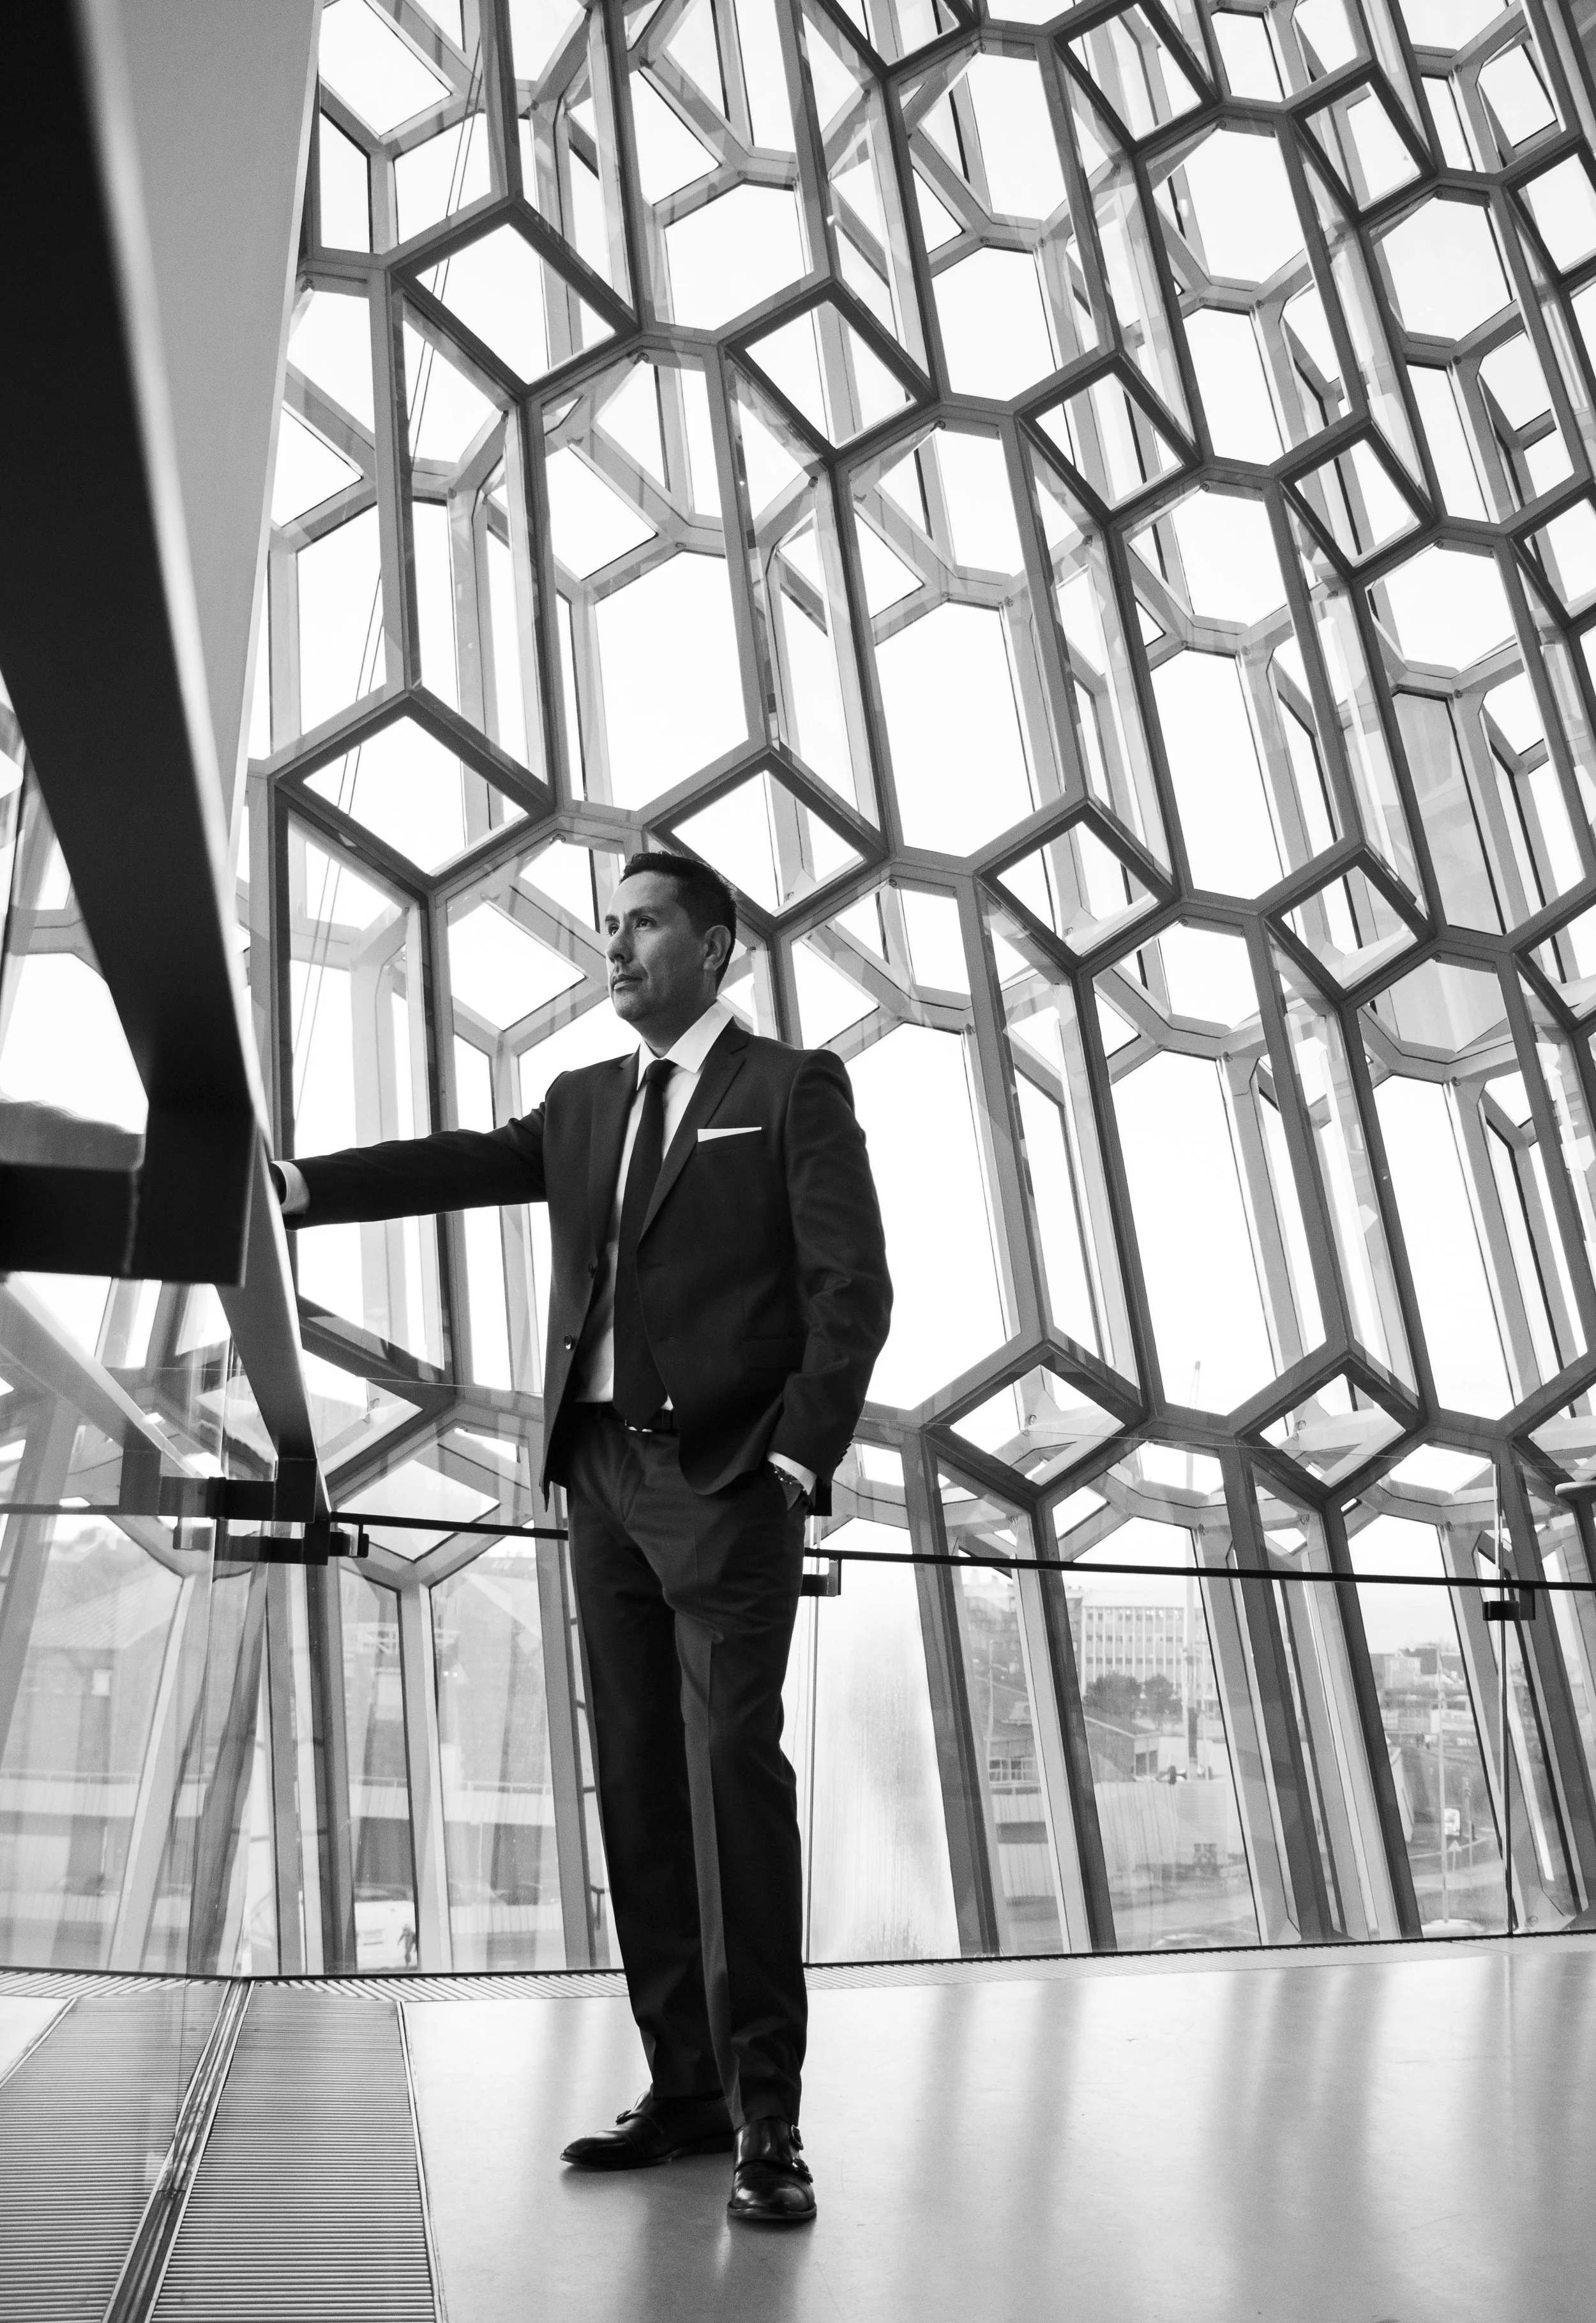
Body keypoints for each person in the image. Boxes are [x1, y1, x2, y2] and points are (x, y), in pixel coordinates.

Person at [271, 850, 891, 2225]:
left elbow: (853, 1288)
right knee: (639, 1783)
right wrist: (299, 1185)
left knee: (729, 1776)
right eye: (609, 926)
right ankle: (685, 2089)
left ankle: (769, 2119)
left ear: (714, 948)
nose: (615, 947)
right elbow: (456, 1162)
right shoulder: (584, 1099)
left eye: (645, 924)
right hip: (597, 1473)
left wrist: (794, 1458)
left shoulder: (790, 1087)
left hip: (724, 1480)